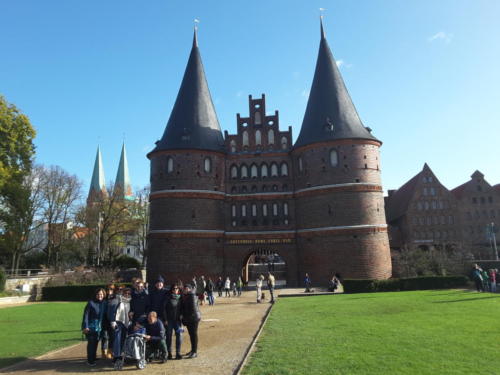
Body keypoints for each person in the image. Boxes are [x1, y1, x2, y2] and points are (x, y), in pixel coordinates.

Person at [81, 288, 107, 366]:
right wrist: (85, 326)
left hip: (99, 327)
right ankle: (90, 360)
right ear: (95, 295)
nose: (100, 296)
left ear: (104, 295)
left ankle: (93, 357)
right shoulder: (91, 303)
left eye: (101, 294)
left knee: (95, 342)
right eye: (98, 294)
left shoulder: (104, 303)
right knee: (91, 344)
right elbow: (86, 315)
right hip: (91, 326)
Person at [108, 287, 131, 365]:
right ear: (123, 293)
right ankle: (116, 357)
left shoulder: (130, 301)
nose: (127, 295)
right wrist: (112, 321)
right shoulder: (116, 300)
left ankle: (121, 356)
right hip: (118, 322)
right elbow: (111, 311)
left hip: (126, 323)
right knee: (117, 340)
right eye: (125, 293)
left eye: (128, 293)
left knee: (123, 340)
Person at [180, 284, 201, 359]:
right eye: (184, 288)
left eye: (187, 288)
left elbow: (192, 309)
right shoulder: (186, 296)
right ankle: (192, 350)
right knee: (191, 335)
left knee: (194, 334)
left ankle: (194, 352)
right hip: (189, 318)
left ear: (190, 289)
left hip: (193, 318)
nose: (185, 290)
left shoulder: (191, 296)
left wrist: (184, 317)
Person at [165, 283, 183, 360]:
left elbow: (183, 308)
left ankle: (178, 353)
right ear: (171, 290)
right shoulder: (168, 298)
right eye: (173, 289)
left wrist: (182, 315)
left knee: (179, 336)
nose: (175, 290)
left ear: (178, 290)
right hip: (169, 320)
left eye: (176, 288)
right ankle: (169, 353)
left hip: (178, 321)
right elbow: (164, 309)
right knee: (168, 336)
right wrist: (165, 319)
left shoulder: (180, 298)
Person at [102, 283, 118, 360]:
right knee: (104, 337)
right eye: (108, 289)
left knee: (112, 337)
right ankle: (103, 351)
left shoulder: (116, 298)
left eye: (111, 289)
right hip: (104, 320)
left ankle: (110, 351)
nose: (109, 290)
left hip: (112, 320)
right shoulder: (103, 298)